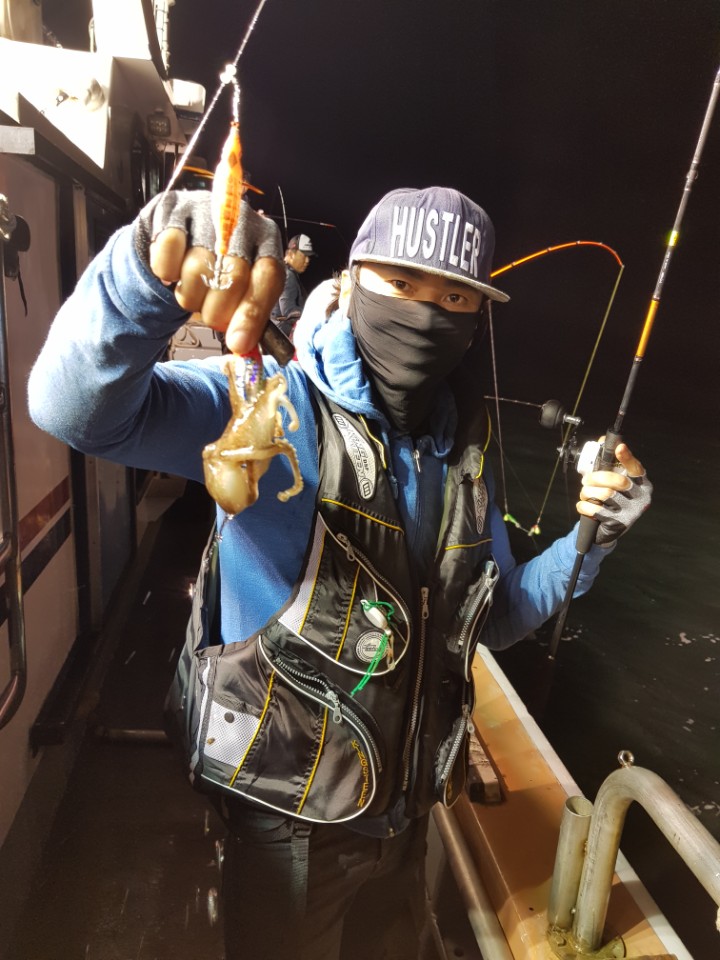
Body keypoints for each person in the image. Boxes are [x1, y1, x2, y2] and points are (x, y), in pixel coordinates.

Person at [27, 185, 652, 960]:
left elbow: (493, 617)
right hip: (287, 826)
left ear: (477, 316)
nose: (427, 313)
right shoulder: (269, 402)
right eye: (402, 282)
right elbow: (75, 411)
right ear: (354, 282)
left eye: (455, 296)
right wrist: (140, 272)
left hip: (406, 817)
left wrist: (592, 537)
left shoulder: (464, 456)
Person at [271, 232, 316, 338]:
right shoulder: (288, 275)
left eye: (309, 257)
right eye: (304, 255)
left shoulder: (280, 271)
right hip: (284, 338)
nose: (307, 260)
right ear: (291, 254)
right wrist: (314, 314)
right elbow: (289, 312)